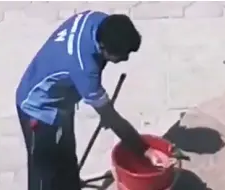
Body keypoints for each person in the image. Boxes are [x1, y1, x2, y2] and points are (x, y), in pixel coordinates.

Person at [16, 10, 170, 190]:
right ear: (103, 47)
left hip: (62, 102)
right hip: (37, 110)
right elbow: (112, 119)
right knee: (45, 174)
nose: (125, 59)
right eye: (120, 56)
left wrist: (101, 105)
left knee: (66, 159)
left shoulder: (97, 20)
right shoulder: (84, 68)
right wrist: (144, 149)